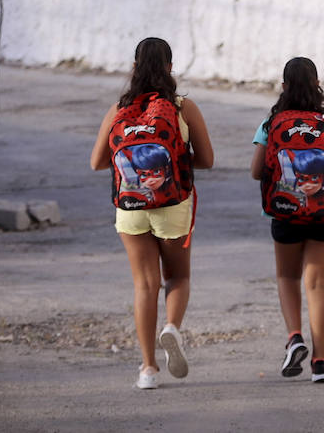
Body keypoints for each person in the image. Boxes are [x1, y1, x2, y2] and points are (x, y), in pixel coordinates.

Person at [89, 37, 215, 390]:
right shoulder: (182, 107)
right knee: (178, 278)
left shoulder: (118, 109)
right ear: (170, 68)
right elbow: (206, 159)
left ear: (134, 68)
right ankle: (171, 327)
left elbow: (97, 162)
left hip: (129, 209)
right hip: (172, 206)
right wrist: (173, 162)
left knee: (145, 284)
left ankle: (147, 370)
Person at [251, 57, 324, 383]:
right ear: (318, 83)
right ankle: (321, 362)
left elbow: (256, 171)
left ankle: (294, 337)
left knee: (287, 277)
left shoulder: (272, 123)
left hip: (285, 213)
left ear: (283, 87)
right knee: (318, 283)